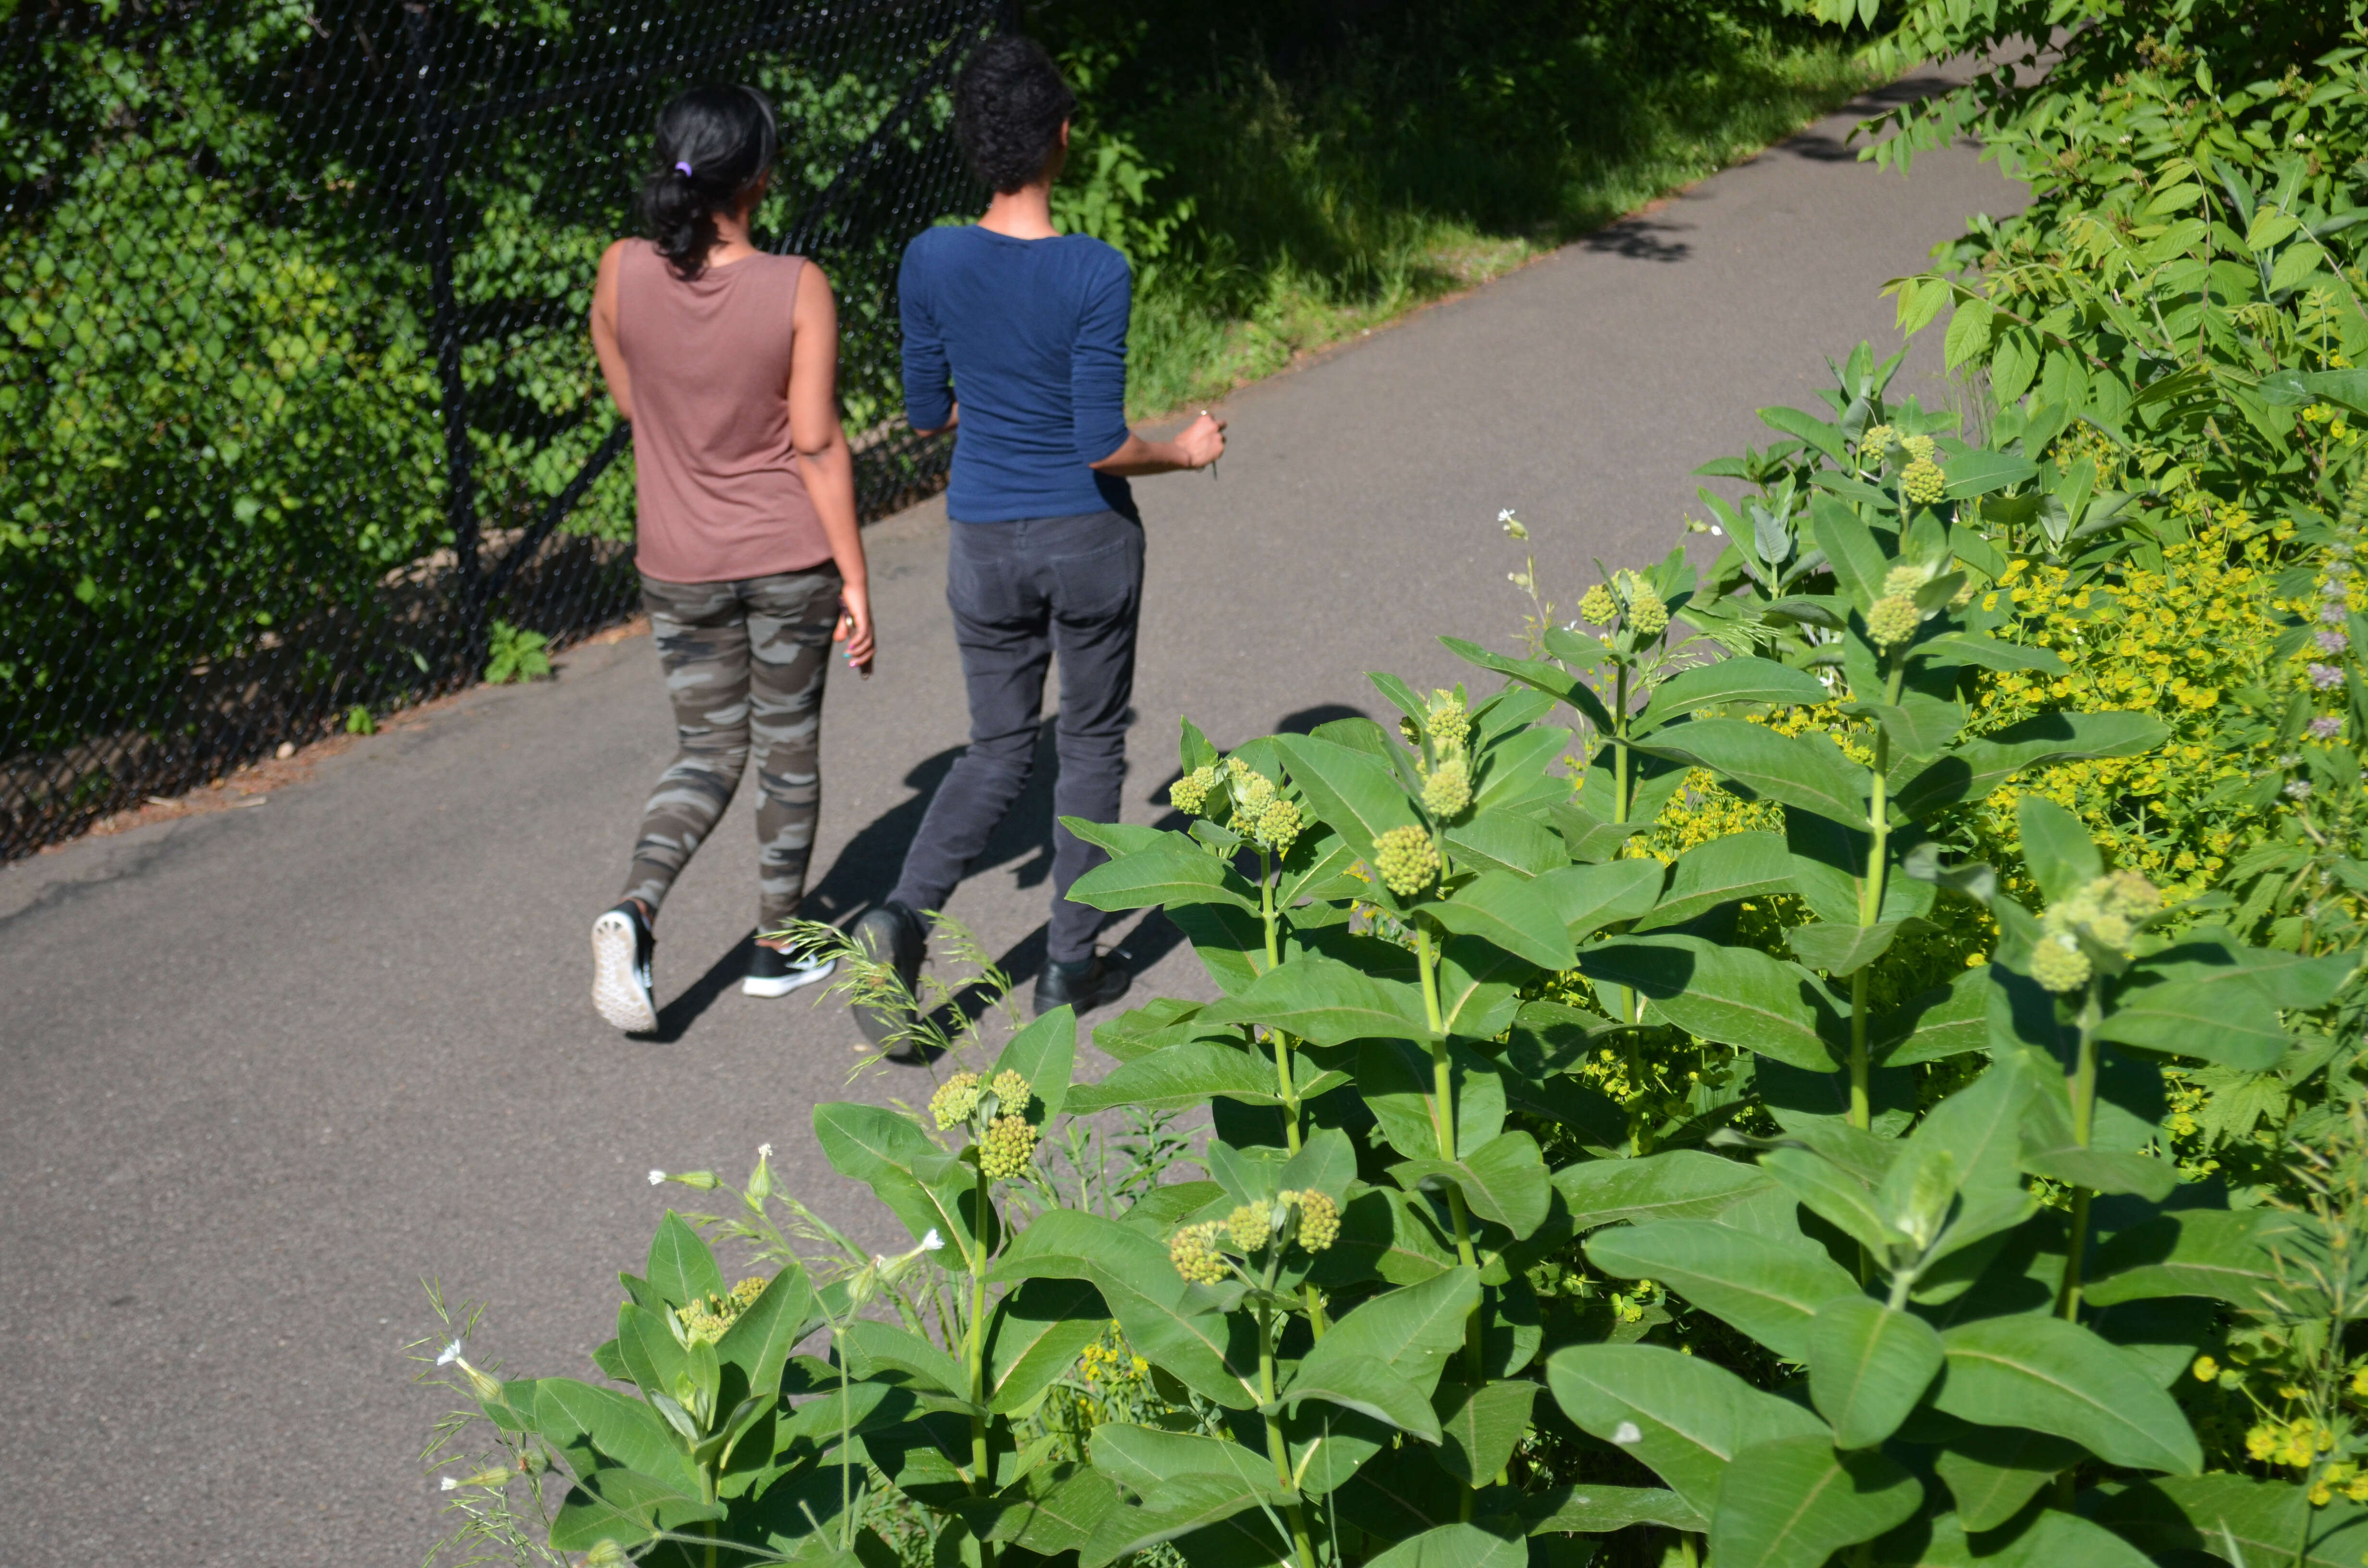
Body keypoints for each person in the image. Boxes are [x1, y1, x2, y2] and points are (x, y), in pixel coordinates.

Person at [851, 36, 1223, 1043]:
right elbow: (1102, 443)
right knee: (1092, 743)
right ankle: (1069, 967)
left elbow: (928, 413)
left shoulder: (927, 257)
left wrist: (1002, 399)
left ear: (975, 143)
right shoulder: (1095, 271)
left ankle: (899, 916)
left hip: (983, 539)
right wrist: (1184, 451)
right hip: (1085, 539)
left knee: (997, 747)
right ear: (1062, 138)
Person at [584, 84, 876, 1034]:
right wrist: (857, 579)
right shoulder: (797, 286)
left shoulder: (621, 270)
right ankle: (775, 946)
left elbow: (633, 402)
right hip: (786, 559)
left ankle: (634, 910)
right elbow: (817, 445)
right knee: (786, 751)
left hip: (677, 559)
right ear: (758, 180)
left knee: (705, 752)